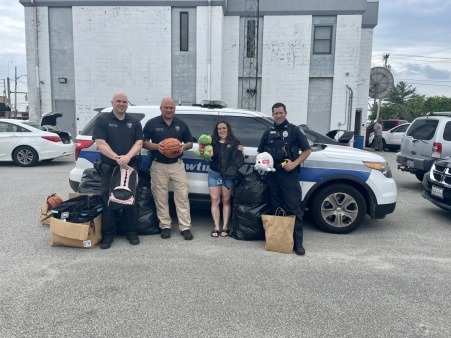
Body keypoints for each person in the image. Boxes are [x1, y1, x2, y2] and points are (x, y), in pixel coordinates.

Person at [257, 102, 312, 255]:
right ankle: (279, 239)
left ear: (285, 113)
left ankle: (298, 243)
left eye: (281, 113)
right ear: (273, 115)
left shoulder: (295, 130)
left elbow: (307, 151)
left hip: (289, 175)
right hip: (272, 175)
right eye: (276, 113)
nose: (279, 115)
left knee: (294, 207)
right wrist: (263, 163)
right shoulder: (268, 132)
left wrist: (294, 164)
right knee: (277, 206)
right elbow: (261, 152)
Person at [92, 92, 143, 249]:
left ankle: (131, 232)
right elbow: (100, 143)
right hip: (110, 168)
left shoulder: (134, 122)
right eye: (118, 101)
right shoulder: (102, 120)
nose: (121, 104)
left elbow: (139, 142)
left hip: (129, 167)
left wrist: (127, 157)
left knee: (130, 199)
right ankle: (108, 235)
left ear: (128, 103)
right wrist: (118, 158)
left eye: (124, 101)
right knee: (108, 200)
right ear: (112, 102)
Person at [142, 97, 194, 240]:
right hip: (158, 165)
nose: (169, 110)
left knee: (182, 197)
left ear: (174, 109)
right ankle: (165, 226)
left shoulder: (181, 124)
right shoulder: (152, 123)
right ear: (161, 108)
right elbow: (143, 142)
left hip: (177, 165)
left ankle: (185, 227)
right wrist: (157, 146)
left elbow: (190, 142)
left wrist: (183, 146)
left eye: (171, 107)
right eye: (166, 107)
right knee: (160, 197)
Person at [208, 121, 244, 238]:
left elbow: (238, 160)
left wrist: (241, 151)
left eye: (224, 128)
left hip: (227, 175)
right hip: (214, 173)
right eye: (219, 129)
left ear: (228, 129)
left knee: (226, 200)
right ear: (216, 130)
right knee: (214, 200)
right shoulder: (212, 142)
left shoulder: (234, 142)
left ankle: (225, 227)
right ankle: (216, 227)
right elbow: (207, 157)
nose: (222, 130)